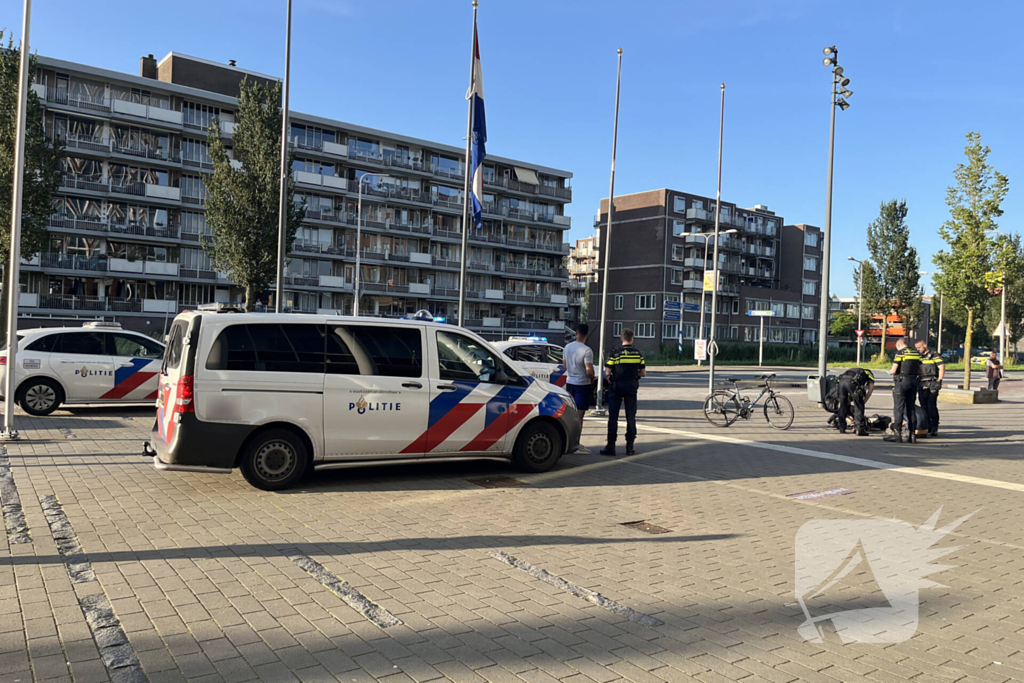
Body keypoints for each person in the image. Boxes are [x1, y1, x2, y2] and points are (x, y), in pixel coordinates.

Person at [600, 329, 646, 457]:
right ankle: (630, 447)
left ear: (622, 339)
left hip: (616, 387)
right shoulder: (638, 354)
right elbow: (643, 373)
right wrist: (632, 374)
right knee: (630, 416)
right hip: (631, 386)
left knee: (613, 417)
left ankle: (611, 446)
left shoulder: (615, 354)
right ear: (632, 339)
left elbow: (607, 373)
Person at [884, 338, 923, 443]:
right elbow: (922, 371)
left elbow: (893, 370)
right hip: (913, 382)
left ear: (899, 345)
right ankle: (912, 434)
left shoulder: (900, 353)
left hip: (901, 383)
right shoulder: (916, 353)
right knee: (911, 408)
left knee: (899, 408)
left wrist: (889, 372)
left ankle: (897, 434)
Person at [563, 324, 595, 414]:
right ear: (587, 335)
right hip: (583, 384)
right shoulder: (587, 350)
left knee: (570, 412)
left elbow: (565, 366)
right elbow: (589, 370)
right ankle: (578, 428)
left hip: (570, 382)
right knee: (579, 413)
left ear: (576, 333)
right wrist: (592, 377)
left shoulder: (567, 347)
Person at [916, 339, 945, 436]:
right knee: (923, 406)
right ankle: (926, 426)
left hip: (932, 382)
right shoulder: (919, 357)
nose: (918, 349)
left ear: (924, 345)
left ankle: (934, 427)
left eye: (919, 347)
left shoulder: (935, 355)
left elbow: (941, 367)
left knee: (931, 406)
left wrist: (939, 380)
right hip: (921, 383)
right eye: (917, 348)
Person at [836, 367, 875, 436]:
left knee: (843, 405)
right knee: (858, 406)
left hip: (841, 383)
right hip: (853, 383)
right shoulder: (869, 373)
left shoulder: (852, 370)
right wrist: (863, 402)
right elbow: (871, 388)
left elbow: (842, 403)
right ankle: (860, 429)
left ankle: (842, 427)